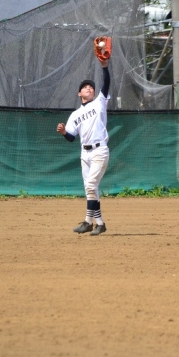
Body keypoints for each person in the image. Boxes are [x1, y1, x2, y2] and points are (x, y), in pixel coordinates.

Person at [56, 39, 111, 236]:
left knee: (90, 186)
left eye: (91, 87)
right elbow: (72, 137)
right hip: (84, 154)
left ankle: (91, 222)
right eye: (86, 87)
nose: (89, 88)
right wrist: (64, 132)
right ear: (79, 93)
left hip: (99, 150)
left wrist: (104, 66)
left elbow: (106, 84)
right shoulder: (75, 115)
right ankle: (97, 223)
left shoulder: (99, 103)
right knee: (91, 189)